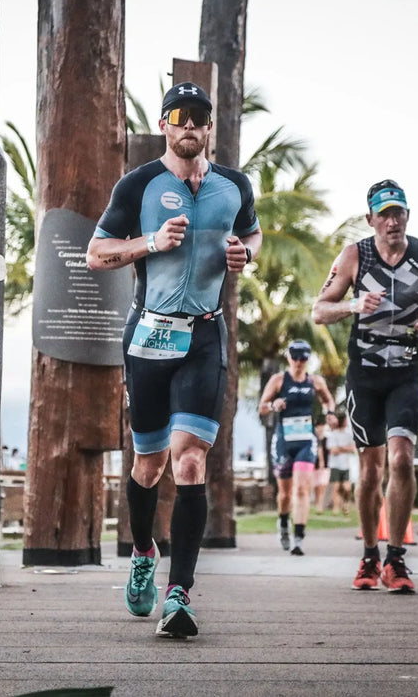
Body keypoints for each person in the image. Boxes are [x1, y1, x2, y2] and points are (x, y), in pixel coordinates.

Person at [86, 81, 261, 639]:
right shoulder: (138, 184)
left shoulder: (235, 186)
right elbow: (96, 254)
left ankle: (179, 594)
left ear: (210, 128)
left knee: (189, 463)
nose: (190, 124)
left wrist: (244, 254)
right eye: (179, 115)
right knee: (148, 465)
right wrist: (150, 244)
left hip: (205, 336)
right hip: (149, 337)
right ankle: (143, 551)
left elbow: (253, 236)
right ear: (165, 124)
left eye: (200, 117)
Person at [312, 178, 418, 593]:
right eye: (385, 214)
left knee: (400, 459)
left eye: (399, 213)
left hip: (408, 368)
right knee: (371, 467)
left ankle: (396, 560)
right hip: (366, 372)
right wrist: (354, 304)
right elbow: (319, 311)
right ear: (370, 218)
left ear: (408, 215)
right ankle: (369, 556)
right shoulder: (353, 256)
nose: (393, 221)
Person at [258, 340, 336, 556]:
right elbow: (262, 407)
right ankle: (283, 522)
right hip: (284, 440)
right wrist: (274, 405)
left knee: (302, 489)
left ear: (308, 359)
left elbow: (329, 401)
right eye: (296, 357)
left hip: (306, 440)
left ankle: (299, 537)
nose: (299, 362)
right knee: (284, 494)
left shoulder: (315, 381)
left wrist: (330, 413)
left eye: (303, 358)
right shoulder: (278, 380)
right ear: (289, 358)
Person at [324, 411, 358, 516]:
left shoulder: (348, 434)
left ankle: (345, 502)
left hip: (346, 464)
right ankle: (335, 508)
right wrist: (345, 448)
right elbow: (332, 450)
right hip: (335, 465)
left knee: (347, 488)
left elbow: (353, 448)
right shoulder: (333, 434)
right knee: (336, 487)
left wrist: (341, 448)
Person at [313, 418, 331, 512]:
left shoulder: (327, 439)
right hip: (314, 465)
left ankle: (320, 505)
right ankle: (317, 504)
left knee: (323, 485)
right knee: (317, 486)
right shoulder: (314, 439)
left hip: (325, 465)